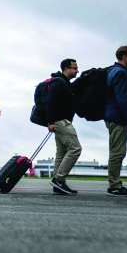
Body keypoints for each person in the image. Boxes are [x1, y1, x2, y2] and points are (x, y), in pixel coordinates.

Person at [105, 45, 127, 198]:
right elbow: (122, 99)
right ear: (124, 57)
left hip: (113, 116)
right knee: (117, 152)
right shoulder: (120, 73)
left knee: (117, 151)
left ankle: (115, 184)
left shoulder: (113, 70)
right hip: (117, 117)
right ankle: (114, 186)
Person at [47, 58, 81, 196]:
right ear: (66, 69)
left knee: (61, 153)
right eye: (75, 68)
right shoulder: (59, 82)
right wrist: (50, 122)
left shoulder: (65, 83)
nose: (77, 71)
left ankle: (58, 185)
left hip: (60, 121)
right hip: (61, 122)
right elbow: (50, 102)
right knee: (75, 148)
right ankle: (59, 179)